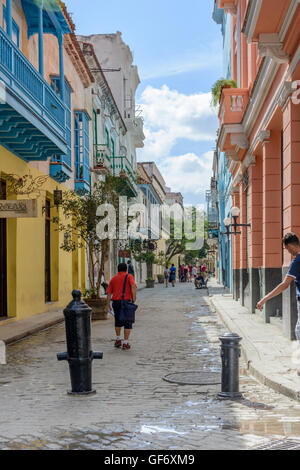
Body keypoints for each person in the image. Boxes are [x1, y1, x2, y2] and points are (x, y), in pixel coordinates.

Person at [257, 233, 300, 374]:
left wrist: (264, 299)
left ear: (291, 246)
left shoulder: (297, 261)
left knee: (299, 331)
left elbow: (284, 285)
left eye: (287, 249)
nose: (288, 252)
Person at [106, 263, 137, 350]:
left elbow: (109, 293)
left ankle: (118, 339)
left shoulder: (113, 279)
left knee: (117, 321)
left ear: (118, 270)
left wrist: (108, 304)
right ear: (126, 269)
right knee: (128, 322)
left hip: (116, 302)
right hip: (126, 302)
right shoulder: (129, 276)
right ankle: (125, 343)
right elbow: (133, 286)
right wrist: (134, 298)